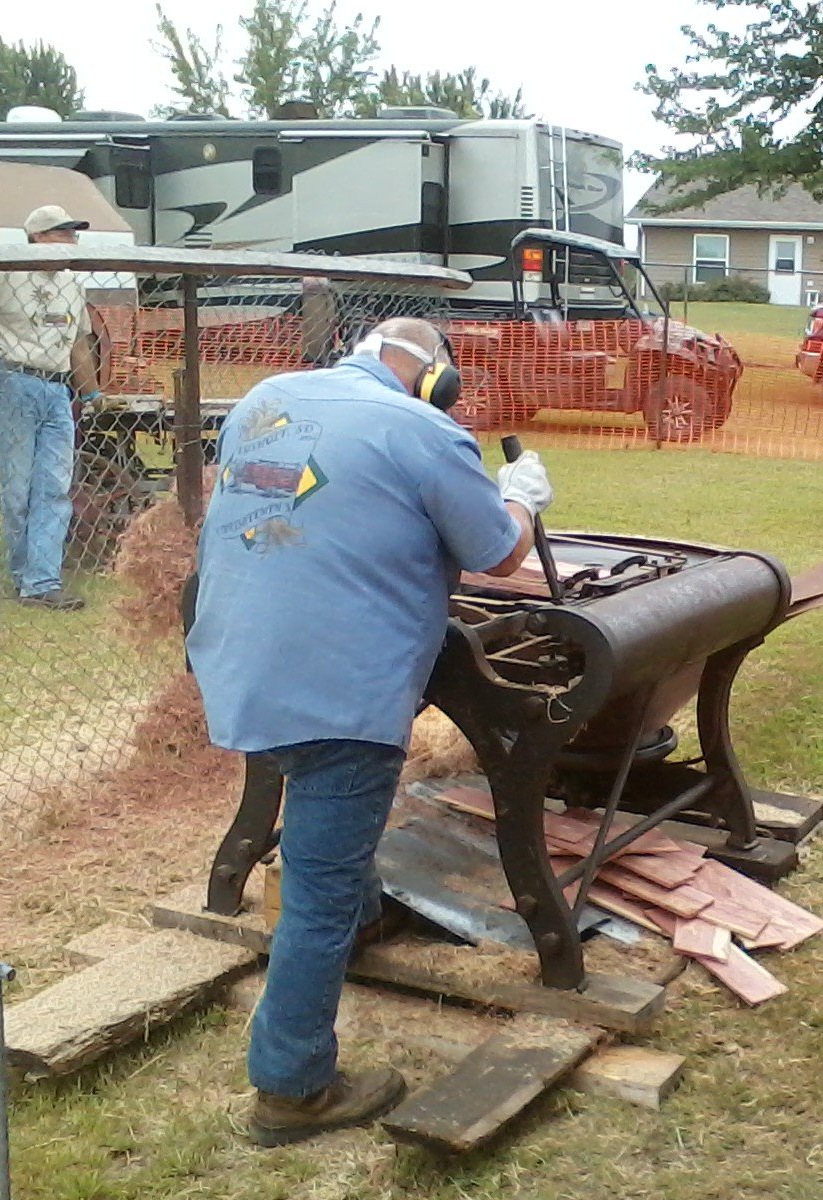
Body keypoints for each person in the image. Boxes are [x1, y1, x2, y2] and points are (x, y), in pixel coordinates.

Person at [185, 316, 552, 1146]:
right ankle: (291, 1090)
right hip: (338, 684)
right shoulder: (425, 426)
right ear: (435, 376)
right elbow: (497, 553)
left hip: (239, 657)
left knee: (325, 831)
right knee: (316, 887)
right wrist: (523, 493)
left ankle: (363, 914)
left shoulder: (268, 398)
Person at [0, 205, 101, 610]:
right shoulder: (5, 270)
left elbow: (79, 342)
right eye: (62, 233)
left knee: (54, 488)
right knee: (17, 489)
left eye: (73, 233)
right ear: (37, 237)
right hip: (12, 383)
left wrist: (91, 394)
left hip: (56, 390)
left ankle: (41, 582)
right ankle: (25, 575)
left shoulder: (72, 283)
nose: (70, 241)